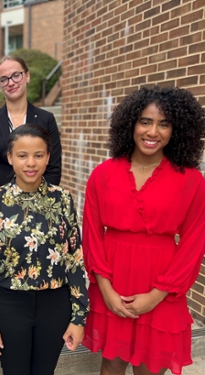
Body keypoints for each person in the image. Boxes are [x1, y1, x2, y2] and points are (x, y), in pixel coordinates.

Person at [82, 86, 205, 375]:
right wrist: (106, 288)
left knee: (151, 367)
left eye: (164, 124)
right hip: (112, 278)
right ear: (131, 124)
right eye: (146, 122)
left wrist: (157, 294)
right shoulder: (103, 174)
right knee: (111, 363)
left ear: (177, 129)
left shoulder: (191, 181)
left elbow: (194, 242)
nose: (153, 132)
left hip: (162, 284)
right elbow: (91, 233)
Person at [0, 124, 89, 375]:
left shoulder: (63, 199)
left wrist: (78, 317)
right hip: (9, 304)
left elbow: (75, 260)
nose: (31, 163)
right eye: (22, 155)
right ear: (10, 158)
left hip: (54, 305)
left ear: (48, 157)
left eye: (38, 155)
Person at [0, 55, 62, 199]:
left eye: (16, 75)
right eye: (4, 79)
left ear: (27, 76)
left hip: (39, 205)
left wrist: (39, 202)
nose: (10, 82)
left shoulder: (46, 119)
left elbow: (54, 168)